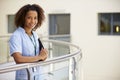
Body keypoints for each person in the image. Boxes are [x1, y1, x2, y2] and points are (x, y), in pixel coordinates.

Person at [9, 4, 48, 80]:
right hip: (25, 77)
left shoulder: (35, 35)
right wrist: (39, 57)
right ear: (23, 18)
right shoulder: (16, 35)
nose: (33, 21)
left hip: (38, 75)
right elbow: (18, 59)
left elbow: (42, 55)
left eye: (35, 18)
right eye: (29, 18)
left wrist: (44, 55)